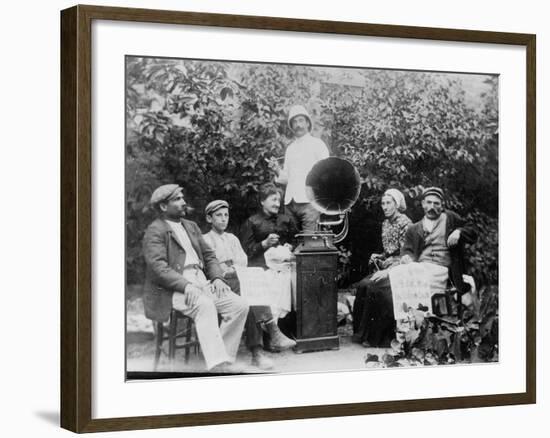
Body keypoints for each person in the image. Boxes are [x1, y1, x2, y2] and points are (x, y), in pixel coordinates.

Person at [142, 184, 249, 373]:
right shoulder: (155, 230)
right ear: (163, 206)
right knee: (205, 306)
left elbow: (209, 256)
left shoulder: (190, 226)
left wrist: (217, 278)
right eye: (177, 199)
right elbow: (159, 267)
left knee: (239, 305)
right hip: (172, 288)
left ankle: (219, 357)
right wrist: (185, 285)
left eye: (182, 197)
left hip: (201, 280)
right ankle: (217, 364)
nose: (184, 202)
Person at [354, 187, 477, 347]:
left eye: (436, 203)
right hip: (420, 268)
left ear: (442, 205)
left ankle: (386, 336)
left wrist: (460, 231)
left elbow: (473, 229)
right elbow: (408, 250)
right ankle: (382, 336)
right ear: (423, 205)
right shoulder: (416, 227)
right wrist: (407, 257)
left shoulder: (451, 219)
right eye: (429, 203)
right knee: (383, 284)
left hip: (442, 270)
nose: (432, 207)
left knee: (391, 279)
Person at [202, 200, 296, 370]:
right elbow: (210, 266)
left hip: (236, 282)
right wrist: (227, 268)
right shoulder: (205, 240)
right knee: (250, 288)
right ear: (209, 219)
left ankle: (261, 348)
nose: (223, 219)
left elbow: (242, 260)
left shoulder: (232, 239)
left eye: (226, 215)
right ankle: (267, 338)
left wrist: (231, 266)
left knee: (250, 290)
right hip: (217, 285)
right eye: (219, 216)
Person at [352, 189, 412, 347]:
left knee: (373, 287)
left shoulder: (405, 223)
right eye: (383, 203)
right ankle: (361, 334)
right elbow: (389, 251)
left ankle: (376, 338)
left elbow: (406, 256)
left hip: (400, 268)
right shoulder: (385, 223)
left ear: (397, 204)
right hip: (387, 264)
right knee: (363, 285)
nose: (384, 207)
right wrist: (379, 256)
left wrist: (389, 269)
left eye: (388, 203)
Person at [240, 183, 299, 339]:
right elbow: (245, 251)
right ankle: (268, 335)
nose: (277, 204)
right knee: (272, 280)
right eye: (273, 200)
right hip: (261, 266)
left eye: (279, 200)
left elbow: (297, 240)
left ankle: (288, 330)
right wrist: (264, 244)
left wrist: (291, 245)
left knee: (291, 279)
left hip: (285, 264)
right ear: (262, 201)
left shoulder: (286, 220)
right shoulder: (252, 222)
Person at [273, 104, 329, 232]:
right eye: (294, 122)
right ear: (291, 126)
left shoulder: (318, 145)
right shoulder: (290, 149)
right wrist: (276, 169)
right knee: (291, 243)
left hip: (309, 204)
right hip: (290, 204)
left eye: (301, 120)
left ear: (308, 123)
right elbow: (287, 178)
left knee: (309, 244)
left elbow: (326, 174)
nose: (298, 125)